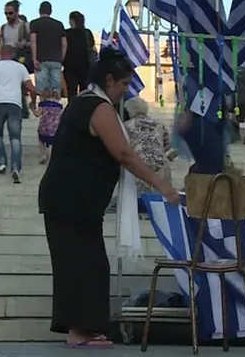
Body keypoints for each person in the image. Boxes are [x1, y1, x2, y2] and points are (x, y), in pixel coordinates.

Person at [38, 48, 179, 349]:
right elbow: (123, 153)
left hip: (79, 201)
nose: (126, 91)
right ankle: (79, 330)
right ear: (110, 79)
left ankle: (84, 328)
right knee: (80, 263)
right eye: (125, 84)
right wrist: (160, 184)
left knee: (88, 262)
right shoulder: (97, 107)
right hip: (70, 198)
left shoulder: (88, 103)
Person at [0, 45, 36, 184]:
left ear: (0, 53)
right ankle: (16, 166)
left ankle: (1, 162)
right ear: (13, 54)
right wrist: (33, 103)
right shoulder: (20, 68)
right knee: (15, 137)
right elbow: (31, 88)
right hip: (15, 103)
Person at [123, 97, 171, 193]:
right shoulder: (158, 124)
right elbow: (167, 144)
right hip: (161, 167)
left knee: (138, 200)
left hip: (140, 168)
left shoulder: (126, 125)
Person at [29, 1, 66, 94]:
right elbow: (64, 43)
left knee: (42, 90)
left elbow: (33, 41)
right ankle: (54, 107)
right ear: (51, 11)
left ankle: (43, 106)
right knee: (55, 90)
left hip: (41, 60)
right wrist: (61, 58)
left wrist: (34, 58)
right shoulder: (59, 24)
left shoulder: (34, 23)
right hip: (56, 60)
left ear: (39, 11)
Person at [63, 11, 95, 101]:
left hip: (70, 66)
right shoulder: (87, 33)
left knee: (71, 92)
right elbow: (92, 47)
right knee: (84, 92)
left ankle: (72, 112)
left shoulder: (67, 33)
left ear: (72, 21)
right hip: (85, 66)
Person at [34, 88, 63, 165]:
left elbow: (37, 114)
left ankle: (43, 154)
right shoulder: (59, 106)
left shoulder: (43, 104)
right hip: (54, 127)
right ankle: (51, 156)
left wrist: (32, 108)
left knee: (41, 140)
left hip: (44, 126)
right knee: (52, 143)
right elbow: (61, 116)